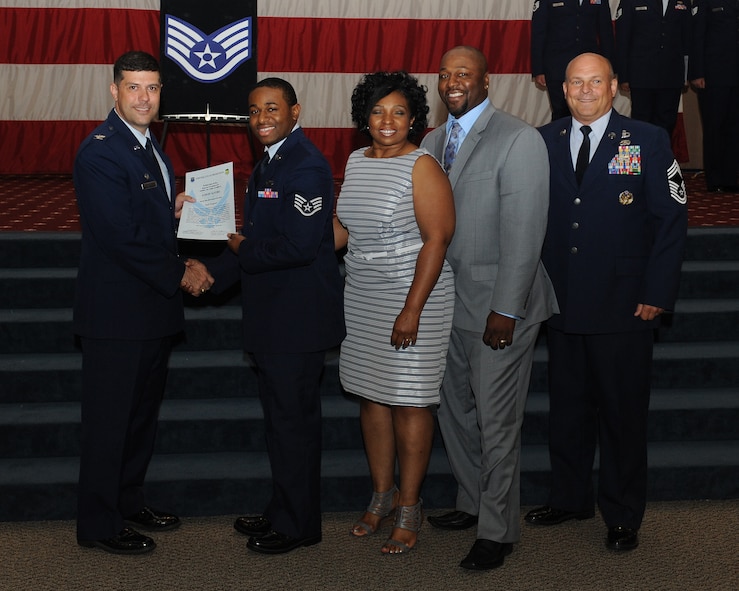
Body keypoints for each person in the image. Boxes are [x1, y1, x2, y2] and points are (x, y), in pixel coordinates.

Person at [528, 53, 688, 552]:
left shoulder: (647, 139)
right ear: (564, 88)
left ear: (614, 86)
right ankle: (570, 497)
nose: (585, 90)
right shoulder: (542, 141)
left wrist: (656, 292)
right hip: (561, 301)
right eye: (576, 82)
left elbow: (670, 219)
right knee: (568, 410)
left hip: (625, 304)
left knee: (622, 415)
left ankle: (621, 515)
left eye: (595, 81)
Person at [420, 46, 558, 571]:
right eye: (445, 74)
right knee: (454, 413)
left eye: (464, 74)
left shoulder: (519, 139)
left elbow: (526, 232)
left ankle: (498, 530)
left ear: (485, 80)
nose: (453, 82)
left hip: (500, 308)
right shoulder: (433, 141)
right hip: (444, 306)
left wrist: (508, 309)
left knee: (497, 421)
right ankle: (471, 501)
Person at [74, 50, 213, 555]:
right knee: (110, 423)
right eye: (133, 87)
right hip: (116, 315)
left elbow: (142, 212)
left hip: (149, 312)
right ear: (114, 90)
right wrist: (183, 271)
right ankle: (97, 523)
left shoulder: (150, 145)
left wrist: (172, 207)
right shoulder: (101, 151)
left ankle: (127, 502)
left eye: (152, 88)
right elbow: (119, 237)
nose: (144, 97)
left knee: (138, 420)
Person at [205, 77, 345, 555]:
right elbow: (260, 241)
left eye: (271, 108)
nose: (261, 118)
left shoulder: (304, 166)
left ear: (295, 111)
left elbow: (299, 247)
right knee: (280, 424)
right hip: (274, 318)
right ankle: (284, 506)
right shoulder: (271, 162)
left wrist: (238, 247)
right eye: (253, 110)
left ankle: (299, 524)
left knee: (293, 426)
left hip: (296, 321)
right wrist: (208, 275)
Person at [333, 71, 456, 555]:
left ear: (414, 119)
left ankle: (410, 506)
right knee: (371, 397)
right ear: (365, 116)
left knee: (410, 400)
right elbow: (344, 231)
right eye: (379, 110)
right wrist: (279, 240)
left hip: (414, 296)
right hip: (362, 292)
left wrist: (411, 310)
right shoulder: (356, 160)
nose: (387, 120)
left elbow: (437, 240)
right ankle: (380, 497)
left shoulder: (422, 165)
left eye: (399, 112)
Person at [614, 0, 692, 137]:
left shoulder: (683, 2)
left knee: (667, 125)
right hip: (641, 75)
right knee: (641, 125)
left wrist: (685, 75)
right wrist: (624, 76)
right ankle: (643, 159)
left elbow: (687, 39)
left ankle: (662, 158)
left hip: (671, 74)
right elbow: (623, 38)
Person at [531, 0, 615, 121]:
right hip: (557, 66)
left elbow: (606, 33)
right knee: (561, 111)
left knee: (589, 110)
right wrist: (538, 69)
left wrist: (610, 68)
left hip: (589, 68)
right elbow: (538, 33)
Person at [688, 0, 739, 193]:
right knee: (714, 128)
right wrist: (697, 72)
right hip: (714, 75)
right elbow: (697, 36)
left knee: (734, 129)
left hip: (736, 75)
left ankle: (730, 178)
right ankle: (715, 178)